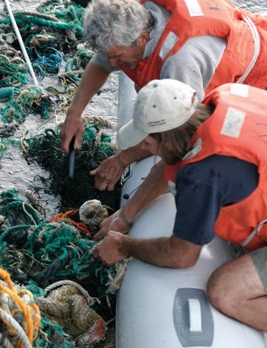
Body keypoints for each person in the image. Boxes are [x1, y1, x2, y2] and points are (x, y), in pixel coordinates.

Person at [61, 0, 267, 191]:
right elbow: (102, 62)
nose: (112, 63)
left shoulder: (180, 61)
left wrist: (122, 160)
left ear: (141, 38)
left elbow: (179, 132)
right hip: (244, 28)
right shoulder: (136, 10)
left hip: (257, 77)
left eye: (117, 57)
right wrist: (74, 113)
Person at [93, 78, 267, 331]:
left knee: (225, 291)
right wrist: (126, 216)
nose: (144, 145)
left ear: (169, 135)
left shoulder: (202, 176)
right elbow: (172, 163)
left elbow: (181, 255)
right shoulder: (220, 101)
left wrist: (123, 245)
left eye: (150, 138)